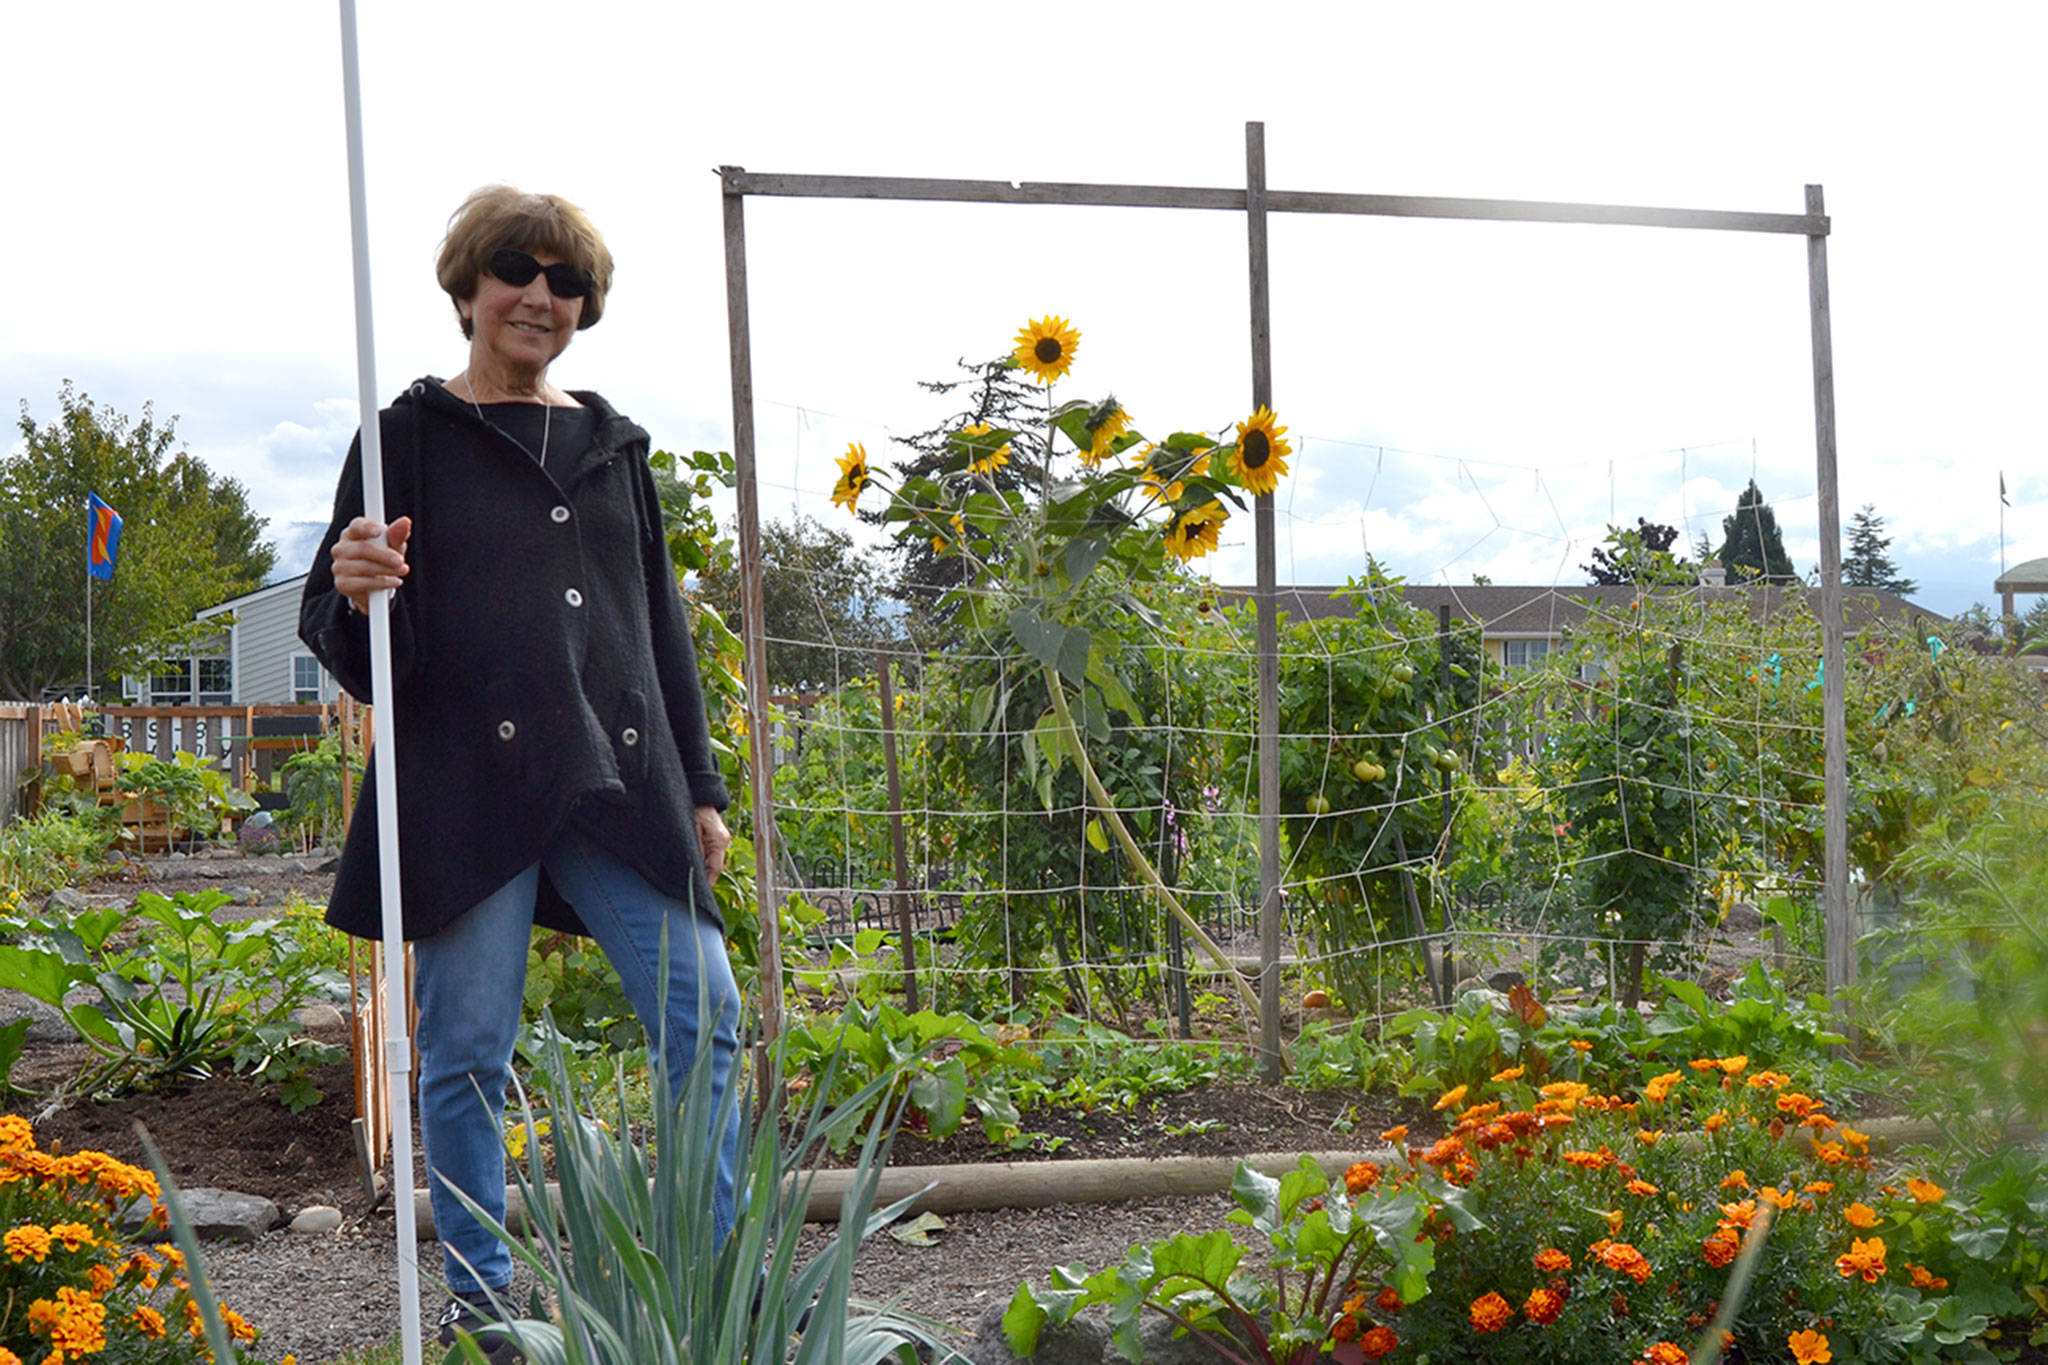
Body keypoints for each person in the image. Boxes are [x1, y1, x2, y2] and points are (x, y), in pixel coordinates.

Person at [300, 185, 741, 1360]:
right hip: (464, 785)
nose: (538, 297)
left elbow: (657, 627)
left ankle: (707, 1272)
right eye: (514, 270)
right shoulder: (403, 439)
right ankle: (486, 1303)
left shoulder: (613, 444)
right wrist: (353, 587)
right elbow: (348, 639)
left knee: (706, 1015)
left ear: (583, 305)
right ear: (466, 287)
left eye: (564, 281)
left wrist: (700, 787)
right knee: (467, 1049)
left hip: (616, 783)